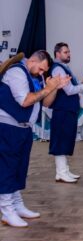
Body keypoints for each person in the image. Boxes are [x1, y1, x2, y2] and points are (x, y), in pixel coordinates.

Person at [0, 50, 69, 227]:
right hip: (8, 127)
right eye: (41, 69)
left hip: (23, 128)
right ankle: (7, 210)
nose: (41, 72)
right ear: (32, 60)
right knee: (8, 167)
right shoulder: (17, 72)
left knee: (19, 167)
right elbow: (25, 100)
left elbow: (45, 102)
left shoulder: (35, 77)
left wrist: (55, 87)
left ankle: (16, 204)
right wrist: (48, 88)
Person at [49, 42, 83, 183]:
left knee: (65, 138)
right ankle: (61, 172)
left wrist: (82, 82)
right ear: (57, 54)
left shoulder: (63, 67)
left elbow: (72, 86)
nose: (69, 54)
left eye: (69, 52)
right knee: (61, 140)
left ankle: (63, 170)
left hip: (67, 109)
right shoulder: (58, 68)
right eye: (65, 52)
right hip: (63, 109)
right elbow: (69, 90)